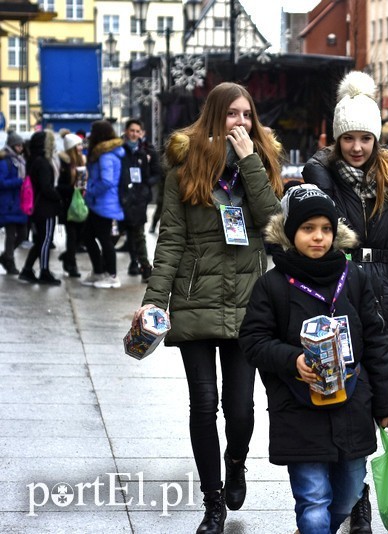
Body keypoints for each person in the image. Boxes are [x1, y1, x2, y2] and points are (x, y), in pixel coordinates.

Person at [131, 82, 283, 534]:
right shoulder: (184, 168)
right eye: (232, 115)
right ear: (214, 119)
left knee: (240, 410)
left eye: (247, 115)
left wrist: (251, 161)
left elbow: (274, 223)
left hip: (247, 303)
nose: (241, 123)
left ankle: (236, 461)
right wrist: (153, 303)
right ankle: (212, 501)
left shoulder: (265, 160)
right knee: (204, 404)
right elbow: (171, 241)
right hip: (195, 299)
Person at [238, 184, 388, 534]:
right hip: (299, 411)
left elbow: (375, 341)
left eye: (326, 229)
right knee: (313, 502)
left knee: (348, 495)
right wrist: (292, 360)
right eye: (308, 229)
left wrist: (387, 404)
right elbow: (252, 340)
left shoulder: (353, 277)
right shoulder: (273, 285)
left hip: (353, 405)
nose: (318, 237)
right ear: (290, 232)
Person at [302, 70, 388, 533]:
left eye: (365, 138)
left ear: (377, 137)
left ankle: (359, 494)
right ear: (337, 138)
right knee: (346, 400)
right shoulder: (321, 175)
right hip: (342, 297)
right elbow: (319, 242)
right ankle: (358, 499)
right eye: (348, 138)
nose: (357, 147)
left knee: (377, 402)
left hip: (385, 300)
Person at [82, 120, 126, 289]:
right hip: (99, 203)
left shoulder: (106, 156)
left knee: (104, 239)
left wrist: (90, 190)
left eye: (92, 132)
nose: (90, 135)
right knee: (88, 236)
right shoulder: (106, 153)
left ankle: (112, 275)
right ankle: (99, 271)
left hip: (105, 203)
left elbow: (107, 181)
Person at [19, 130, 62, 286]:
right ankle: (44, 271)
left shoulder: (33, 159)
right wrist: (60, 196)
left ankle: (27, 269)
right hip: (46, 207)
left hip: (38, 207)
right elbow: (46, 187)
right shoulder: (43, 162)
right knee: (45, 240)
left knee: (40, 241)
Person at [118, 119, 154, 281]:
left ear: (141, 133)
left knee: (138, 234)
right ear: (126, 131)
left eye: (137, 131)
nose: (134, 134)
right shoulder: (119, 151)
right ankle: (104, 268)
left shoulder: (145, 152)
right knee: (119, 233)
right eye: (131, 130)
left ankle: (144, 266)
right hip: (121, 198)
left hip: (138, 200)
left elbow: (152, 175)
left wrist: (145, 191)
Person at [56, 133, 87, 278]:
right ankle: (71, 265)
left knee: (81, 236)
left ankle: (67, 256)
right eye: (78, 145)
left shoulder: (82, 161)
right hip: (68, 205)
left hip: (81, 203)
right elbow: (59, 186)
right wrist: (72, 188)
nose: (81, 148)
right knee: (72, 236)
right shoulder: (64, 163)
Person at [0, 131, 27, 275]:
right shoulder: (5, 161)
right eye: (18, 145)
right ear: (11, 145)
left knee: (23, 234)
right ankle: (9, 261)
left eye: (21, 145)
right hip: (9, 203)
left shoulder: (20, 160)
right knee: (11, 234)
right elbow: (1, 182)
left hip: (19, 202)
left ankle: (5, 256)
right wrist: (19, 182)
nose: (20, 148)